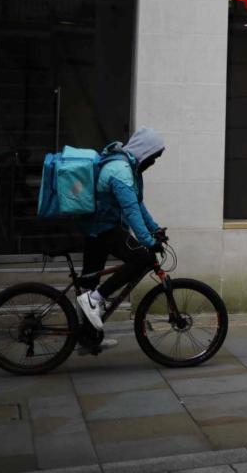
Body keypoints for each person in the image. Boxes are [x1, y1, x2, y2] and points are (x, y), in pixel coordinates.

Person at [75, 128, 168, 342]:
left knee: (88, 282)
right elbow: (131, 211)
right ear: (144, 152)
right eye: (153, 158)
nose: (153, 163)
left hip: (96, 229)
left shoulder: (126, 167)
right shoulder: (120, 170)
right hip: (104, 228)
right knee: (142, 259)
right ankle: (94, 300)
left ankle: (89, 338)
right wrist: (148, 241)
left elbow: (138, 204)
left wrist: (155, 229)